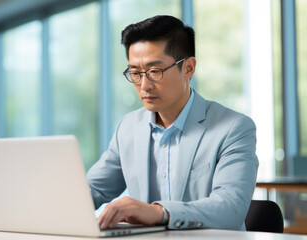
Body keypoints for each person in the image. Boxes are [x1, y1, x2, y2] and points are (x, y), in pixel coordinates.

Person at [87, 15, 259, 231]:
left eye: (154, 71)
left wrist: (159, 213)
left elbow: (230, 209)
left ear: (188, 68)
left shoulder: (234, 128)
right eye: (135, 73)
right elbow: (91, 190)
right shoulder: (128, 128)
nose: (144, 85)